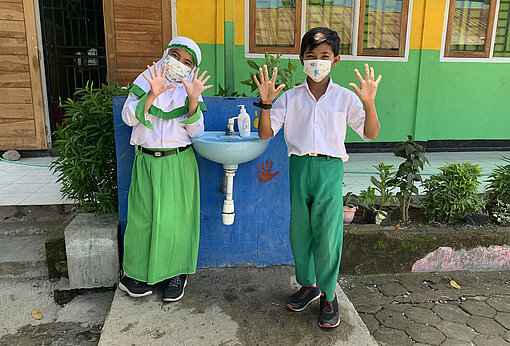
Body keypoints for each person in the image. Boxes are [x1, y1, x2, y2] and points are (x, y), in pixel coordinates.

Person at [253, 27, 381, 328]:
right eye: (311, 56)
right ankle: (308, 285)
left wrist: (369, 102)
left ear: (335, 61)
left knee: (327, 235)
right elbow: (265, 133)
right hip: (299, 168)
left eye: (324, 56)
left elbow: (371, 133)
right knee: (300, 233)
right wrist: (267, 104)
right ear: (301, 60)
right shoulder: (291, 98)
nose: (317, 62)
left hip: (329, 169)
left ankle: (328, 293)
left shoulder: (345, 98)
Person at [119, 36, 212, 302]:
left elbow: (197, 132)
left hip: (178, 161)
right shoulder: (146, 79)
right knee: (143, 219)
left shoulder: (190, 88)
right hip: (146, 161)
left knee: (177, 220)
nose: (178, 64)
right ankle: (134, 274)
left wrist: (193, 101)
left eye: (187, 62)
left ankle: (176, 274)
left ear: (192, 68)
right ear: (165, 54)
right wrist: (152, 94)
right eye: (175, 56)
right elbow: (127, 117)